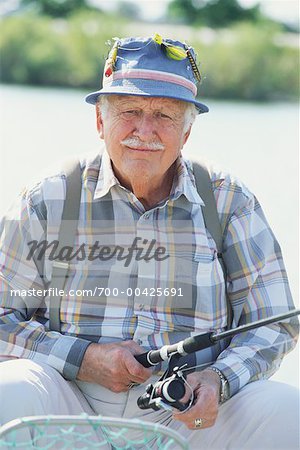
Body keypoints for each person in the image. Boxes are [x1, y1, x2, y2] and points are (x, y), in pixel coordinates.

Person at [0, 35, 299, 449]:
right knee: (9, 389)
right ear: (100, 122)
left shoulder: (229, 199)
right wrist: (84, 360)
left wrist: (219, 379)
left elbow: (278, 320)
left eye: (165, 115)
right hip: (69, 399)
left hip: (188, 417)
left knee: (288, 411)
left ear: (187, 133)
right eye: (130, 111)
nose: (145, 130)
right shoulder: (48, 197)